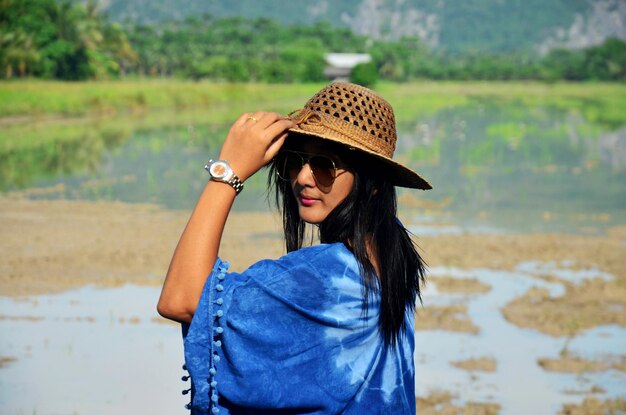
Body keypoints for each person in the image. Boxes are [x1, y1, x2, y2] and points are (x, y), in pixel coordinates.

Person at [157, 82, 432, 415]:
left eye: (325, 166)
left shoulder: (324, 278)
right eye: (295, 161)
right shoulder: (390, 251)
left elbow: (182, 299)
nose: (303, 177)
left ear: (371, 183)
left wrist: (227, 174)